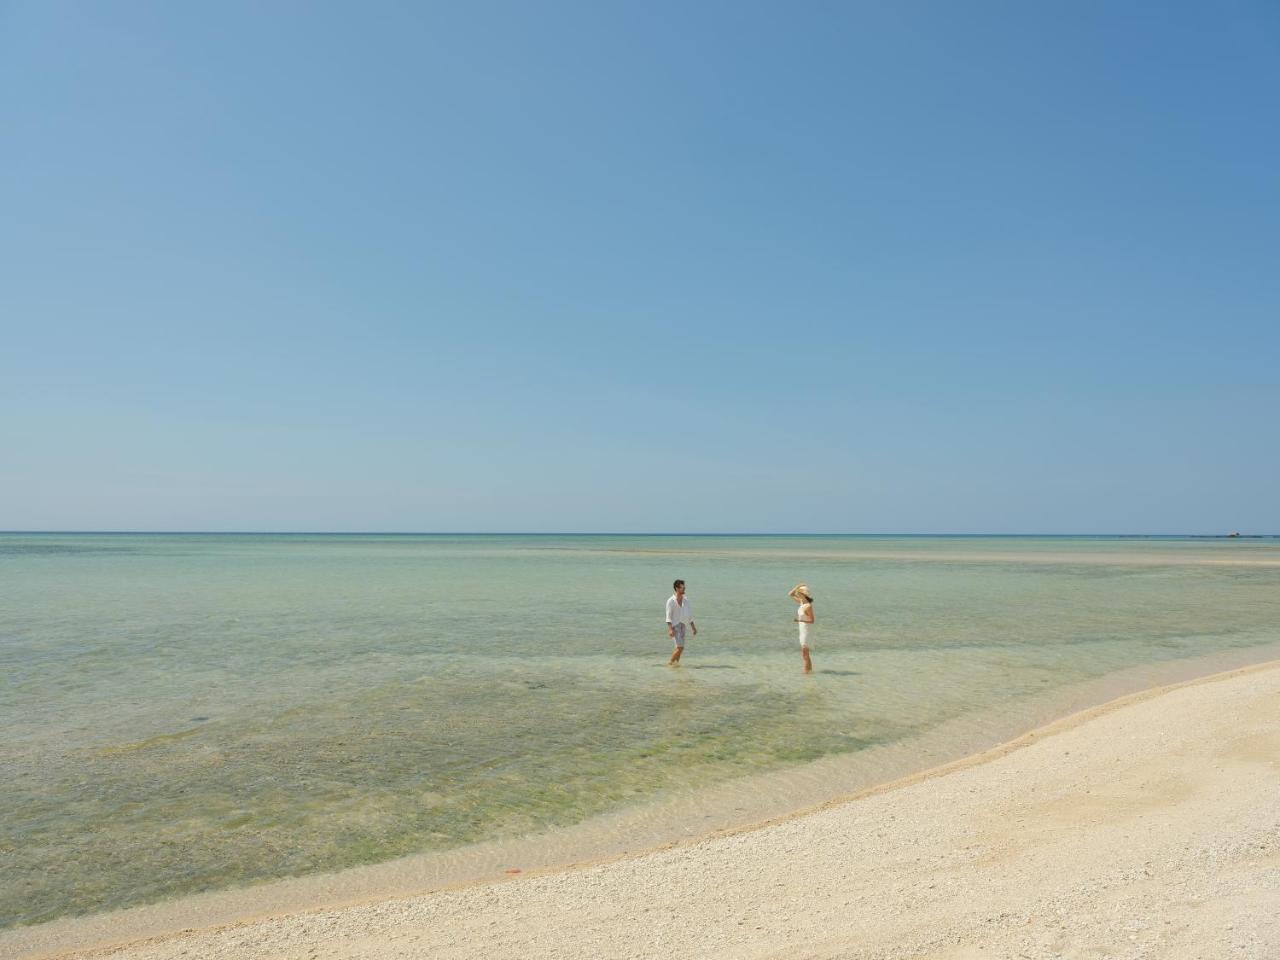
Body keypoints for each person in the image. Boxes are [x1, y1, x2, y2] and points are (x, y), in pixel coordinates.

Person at [665, 578, 697, 665]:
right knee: (680, 647)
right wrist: (670, 629)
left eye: (684, 588)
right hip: (675, 626)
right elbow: (668, 617)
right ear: (677, 588)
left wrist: (693, 627)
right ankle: (670, 664)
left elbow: (689, 615)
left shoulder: (686, 600)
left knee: (680, 648)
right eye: (682, 588)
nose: (684, 589)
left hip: (683, 625)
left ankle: (676, 664)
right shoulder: (670, 601)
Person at [789, 583, 815, 673]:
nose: (797, 593)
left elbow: (812, 620)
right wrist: (798, 586)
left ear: (803, 594)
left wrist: (799, 620)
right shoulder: (801, 602)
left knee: (805, 654)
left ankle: (806, 673)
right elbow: (790, 594)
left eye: (799, 592)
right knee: (805, 654)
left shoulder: (808, 606)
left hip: (806, 631)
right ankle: (809, 672)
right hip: (802, 630)